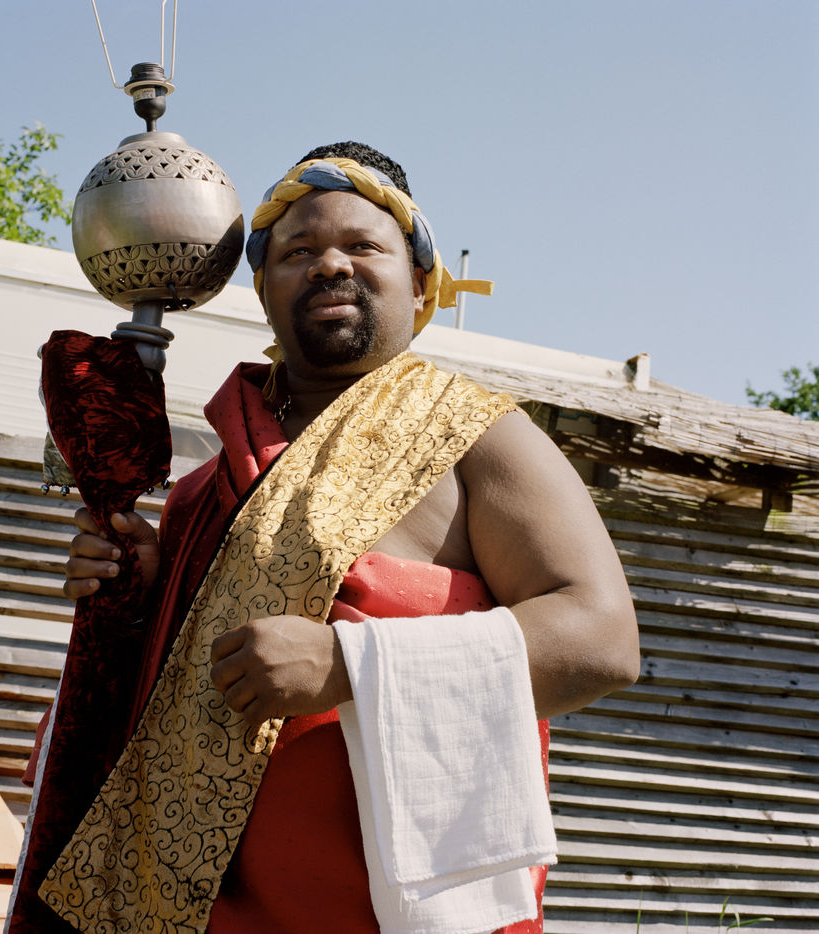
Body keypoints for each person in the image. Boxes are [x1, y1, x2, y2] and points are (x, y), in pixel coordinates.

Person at [49, 141, 640, 933]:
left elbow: (603, 639)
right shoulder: (202, 485)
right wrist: (140, 598)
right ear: (262, 289)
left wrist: (347, 664)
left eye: (364, 245)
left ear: (421, 282)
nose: (330, 264)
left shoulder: (477, 437)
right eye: (298, 251)